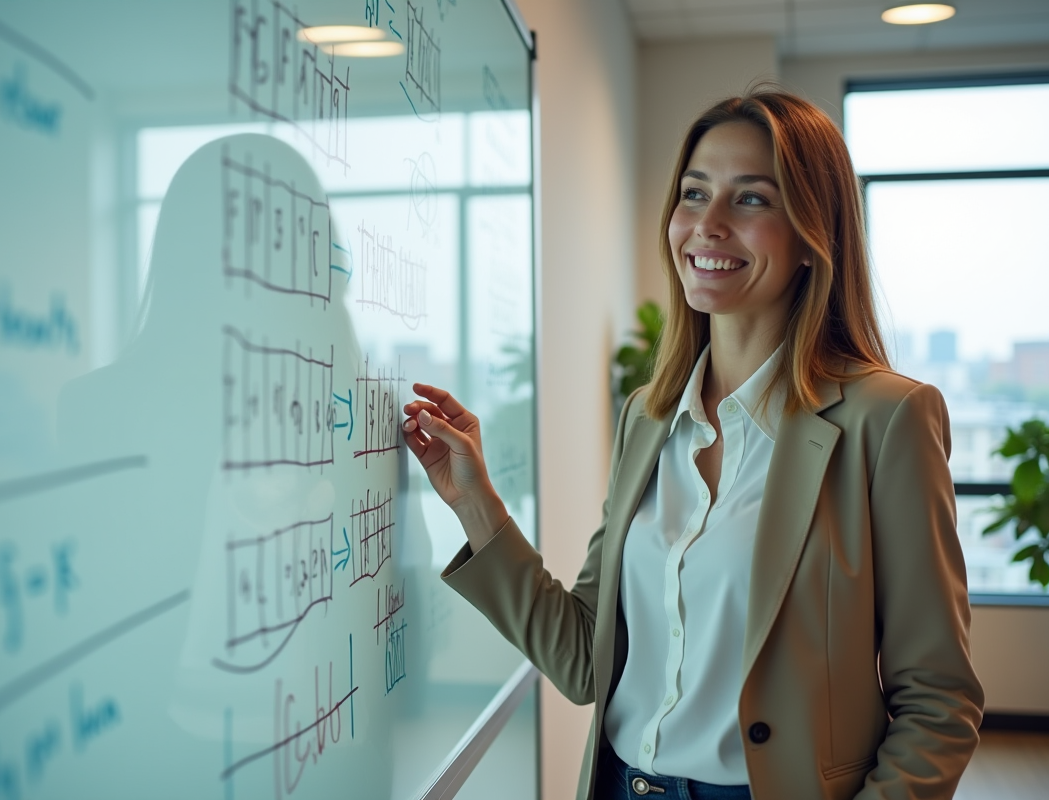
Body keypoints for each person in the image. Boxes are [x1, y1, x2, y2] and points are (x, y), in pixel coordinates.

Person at [400, 87, 984, 800]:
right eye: (694, 193)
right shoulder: (647, 418)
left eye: (751, 199)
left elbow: (939, 701)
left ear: (812, 236)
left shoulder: (886, 420)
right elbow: (585, 658)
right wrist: (475, 504)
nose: (707, 224)